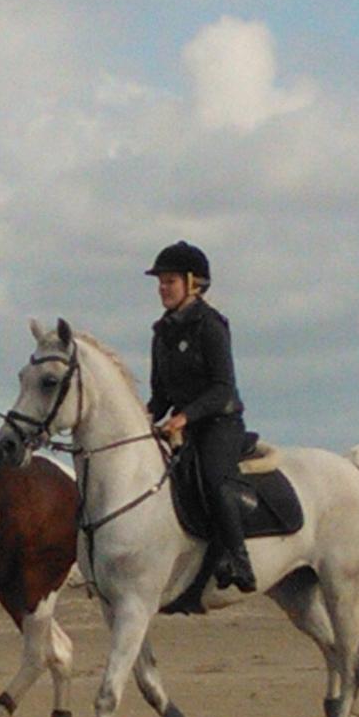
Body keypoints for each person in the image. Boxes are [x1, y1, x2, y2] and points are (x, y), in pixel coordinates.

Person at [145, 240, 257, 593]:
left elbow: (223, 387)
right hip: (184, 427)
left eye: (170, 282)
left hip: (219, 424)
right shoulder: (161, 332)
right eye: (160, 282)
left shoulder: (211, 326)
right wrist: (144, 417)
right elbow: (161, 395)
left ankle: (239, 559)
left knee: (213, 479)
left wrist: (184, 418)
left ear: (193, 284)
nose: (163, 289)